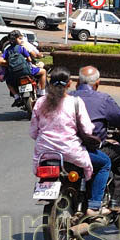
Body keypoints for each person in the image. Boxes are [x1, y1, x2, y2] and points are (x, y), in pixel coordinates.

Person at [30, 66, 111, 217]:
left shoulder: (40, 102)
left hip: (44, 154)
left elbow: (33, 132)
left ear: (50, 83)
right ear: (70, 84)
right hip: (71, 153)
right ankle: (94, 206)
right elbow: (87, 130)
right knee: (105, 163)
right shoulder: (75, 102)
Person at [72, 66, 120, 212]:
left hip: (66, 148)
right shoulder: (103, 99)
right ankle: (115, 201)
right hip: (89, 148)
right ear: (97, 83)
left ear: (78, 82)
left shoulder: (68, 98)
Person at [0, 31, 47, 108]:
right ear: (15, 40)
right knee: (43, 72)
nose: (21, 40)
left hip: (13, 74)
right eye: (19, 39)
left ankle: (16, 97)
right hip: (26, 70)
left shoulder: (7, 50)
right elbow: (29, 59)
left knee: (8, 82)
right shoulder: (21, 48)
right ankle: (42, 93)